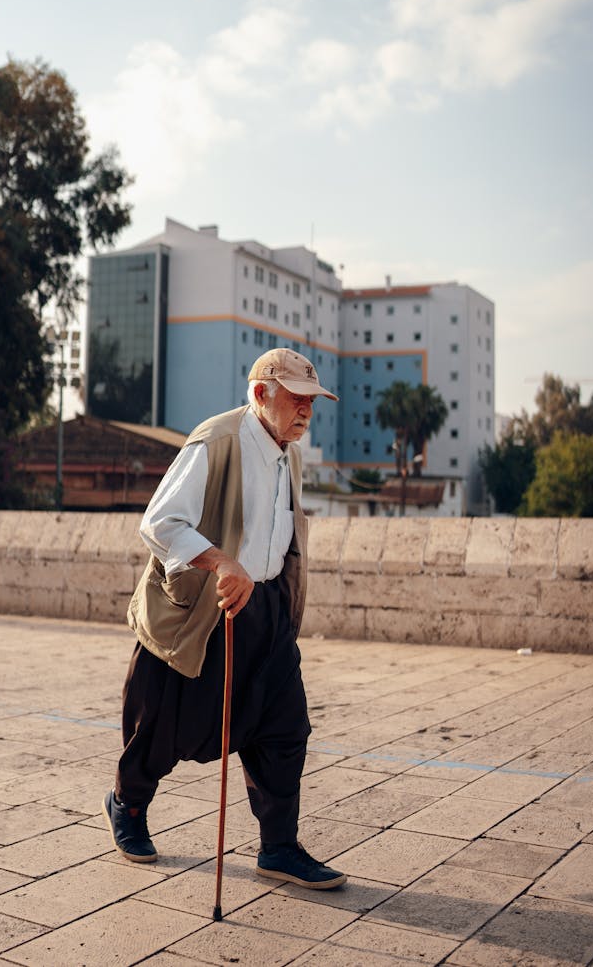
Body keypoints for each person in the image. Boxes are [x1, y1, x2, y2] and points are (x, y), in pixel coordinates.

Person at [102, 347, 347, 890]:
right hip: (203, 609)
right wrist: (221, 562)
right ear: (262, 394)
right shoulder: (216, 441)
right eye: (297, 399)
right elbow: (159, 523)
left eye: (313, 401)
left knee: (285, 729)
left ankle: (279, 847)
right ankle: (128, 806)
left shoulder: (290, 453)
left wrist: (275, 595)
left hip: (265, 611)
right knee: (163, 726)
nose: (307, 411)